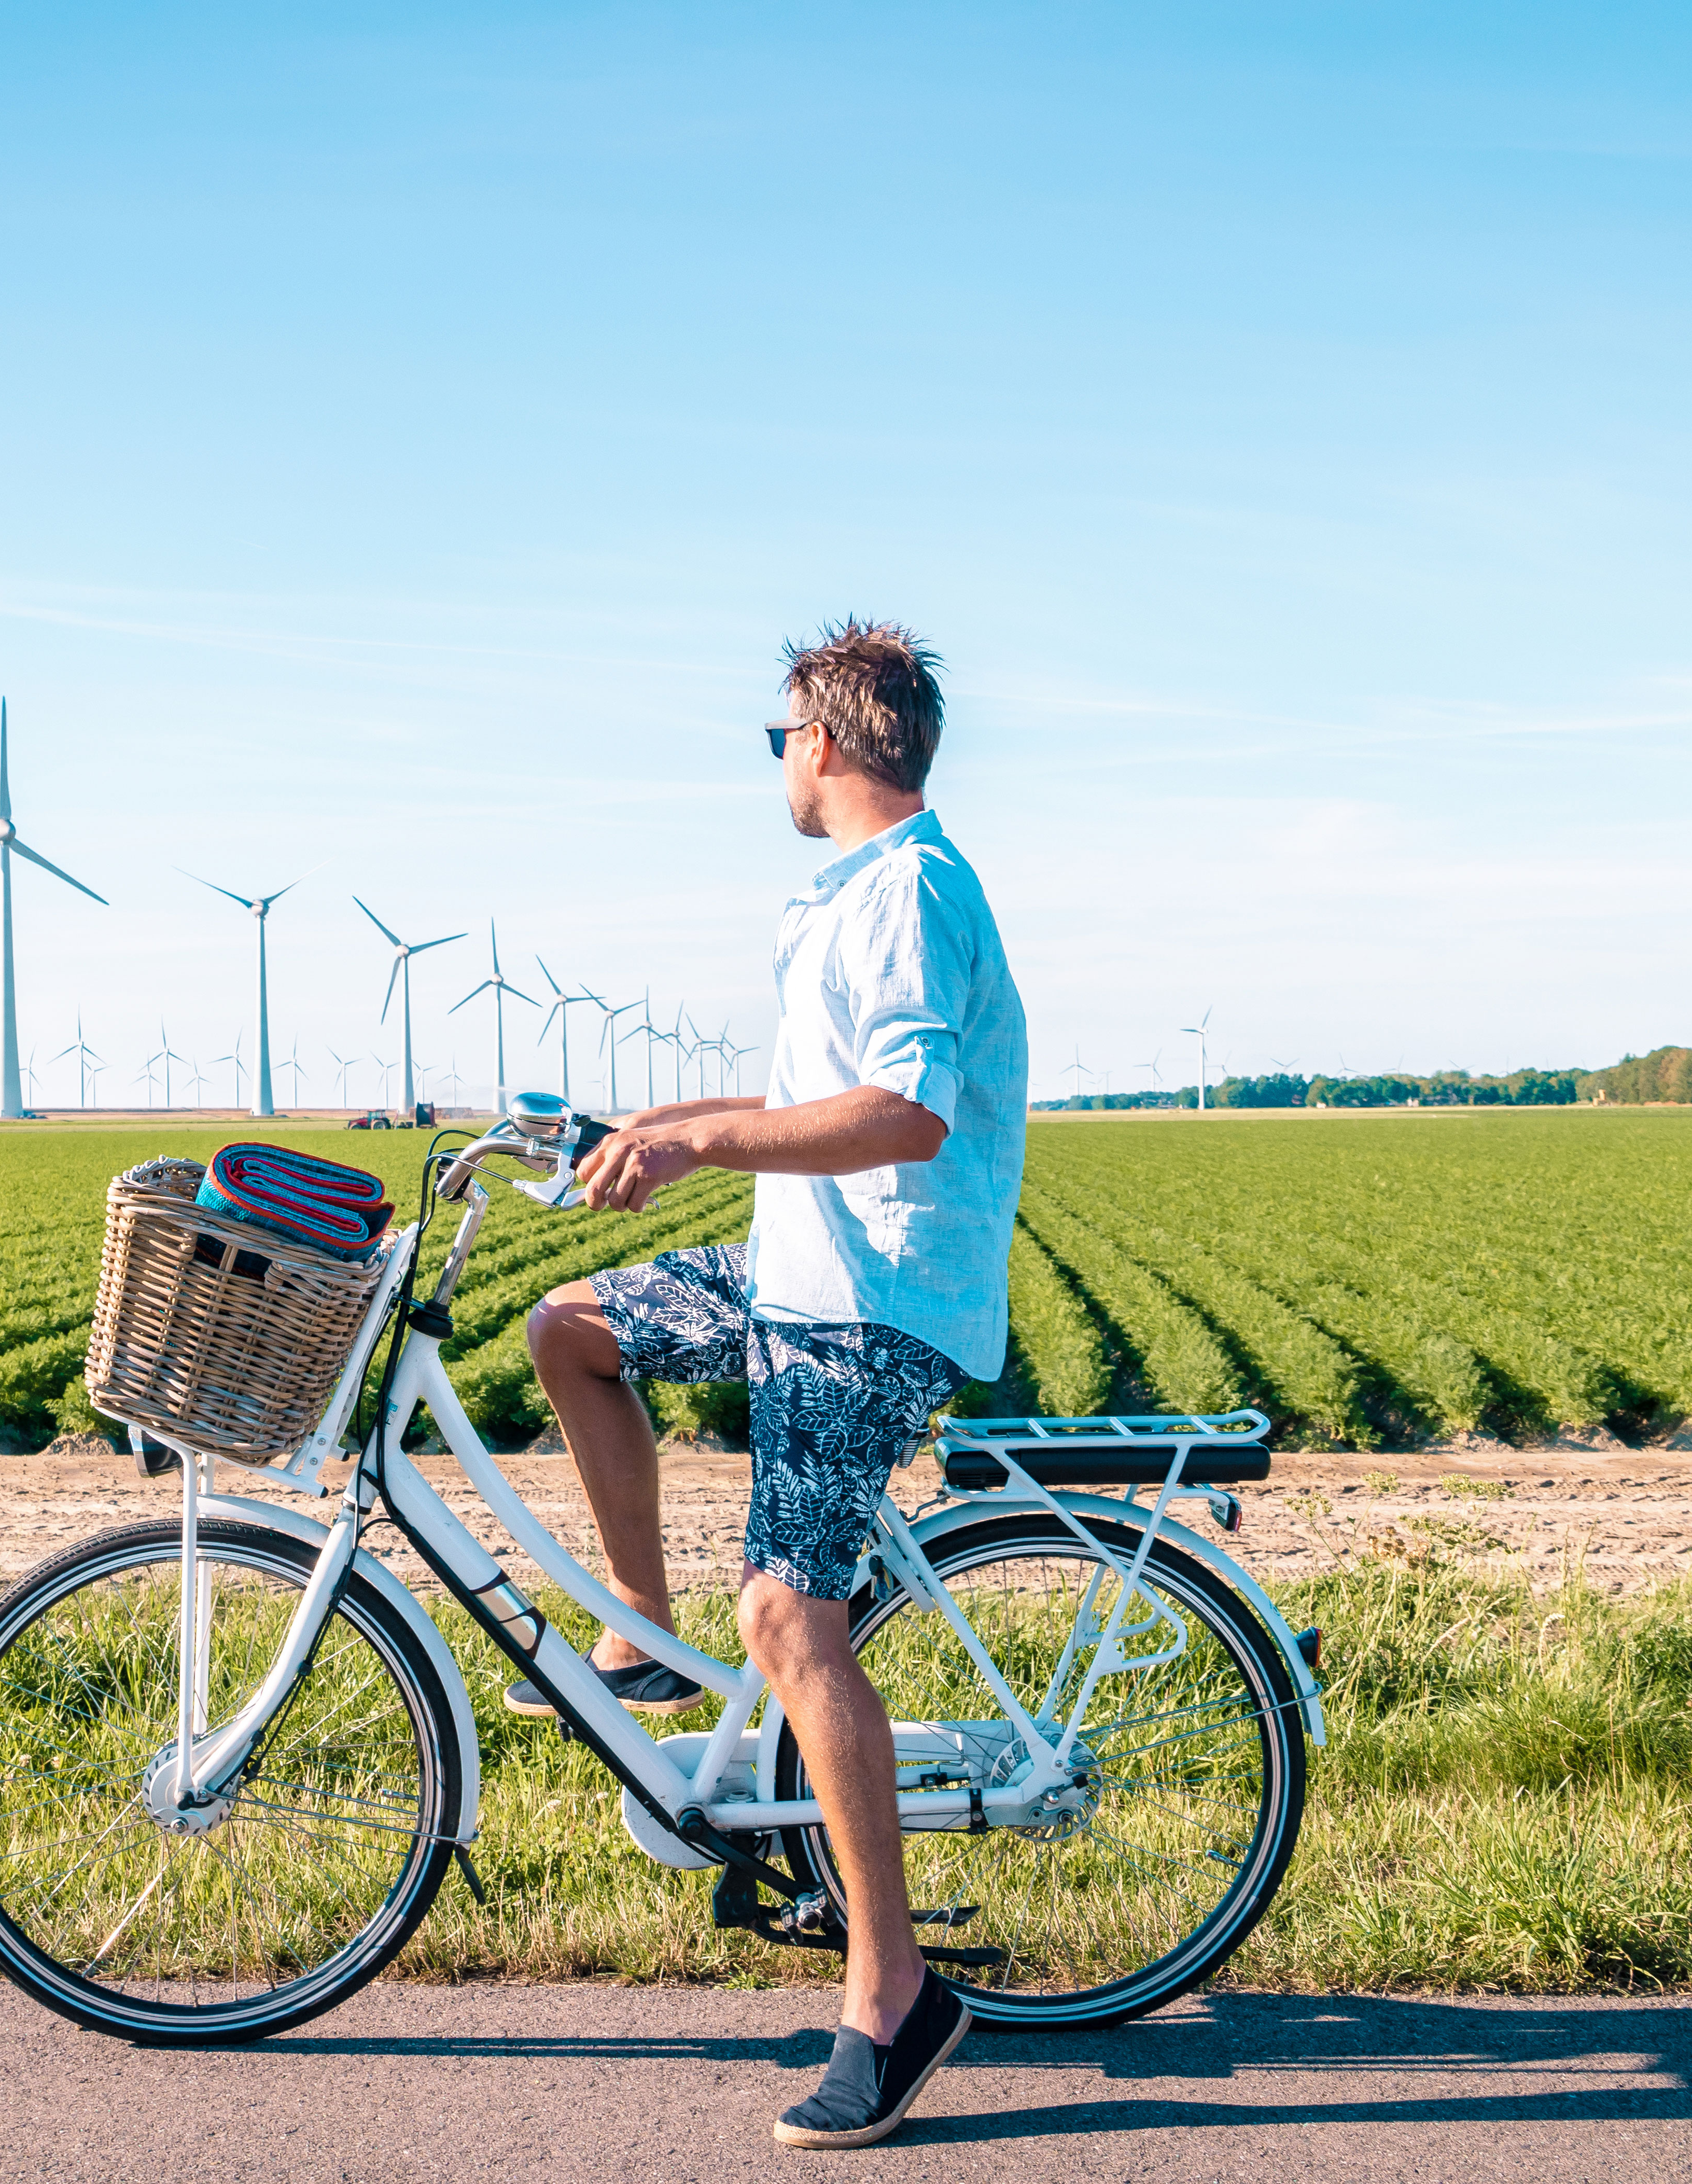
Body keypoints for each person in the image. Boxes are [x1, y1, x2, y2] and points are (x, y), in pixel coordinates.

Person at [517, 618, 1028, 2150]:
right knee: (568, 1329)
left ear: (824, 740)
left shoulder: (913, 890)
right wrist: (636, 1124)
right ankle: (647, 1644)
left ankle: (893, 1993)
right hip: (795, 1271)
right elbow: (797, 1095)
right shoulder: (851, 896)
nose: (777, 766)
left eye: (776, 740)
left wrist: (704, 1144)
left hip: (867, 1301)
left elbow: (903, 1113)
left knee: (790, 1616)